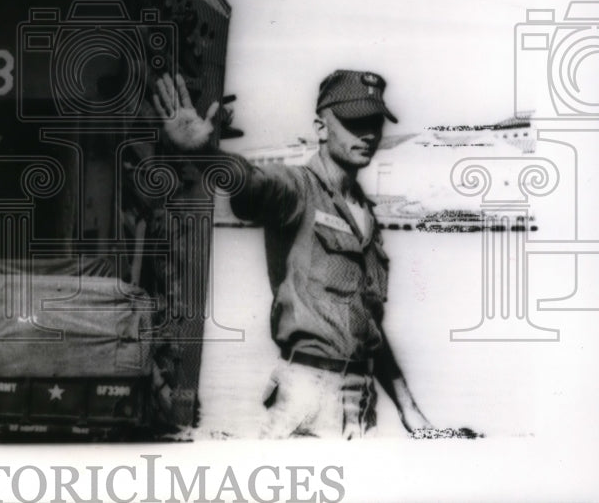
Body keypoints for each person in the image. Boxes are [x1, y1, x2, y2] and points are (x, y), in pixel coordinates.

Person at [152, 70, 434, 438]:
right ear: (321, 127)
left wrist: (410, 409)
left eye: (374, 122)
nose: (367, 133)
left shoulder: (367, 216)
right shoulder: (298, 190)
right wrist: (207, 155)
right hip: (307, 397)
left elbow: (369, 326)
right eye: (353, 122)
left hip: (360, 402)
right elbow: (252, 183)